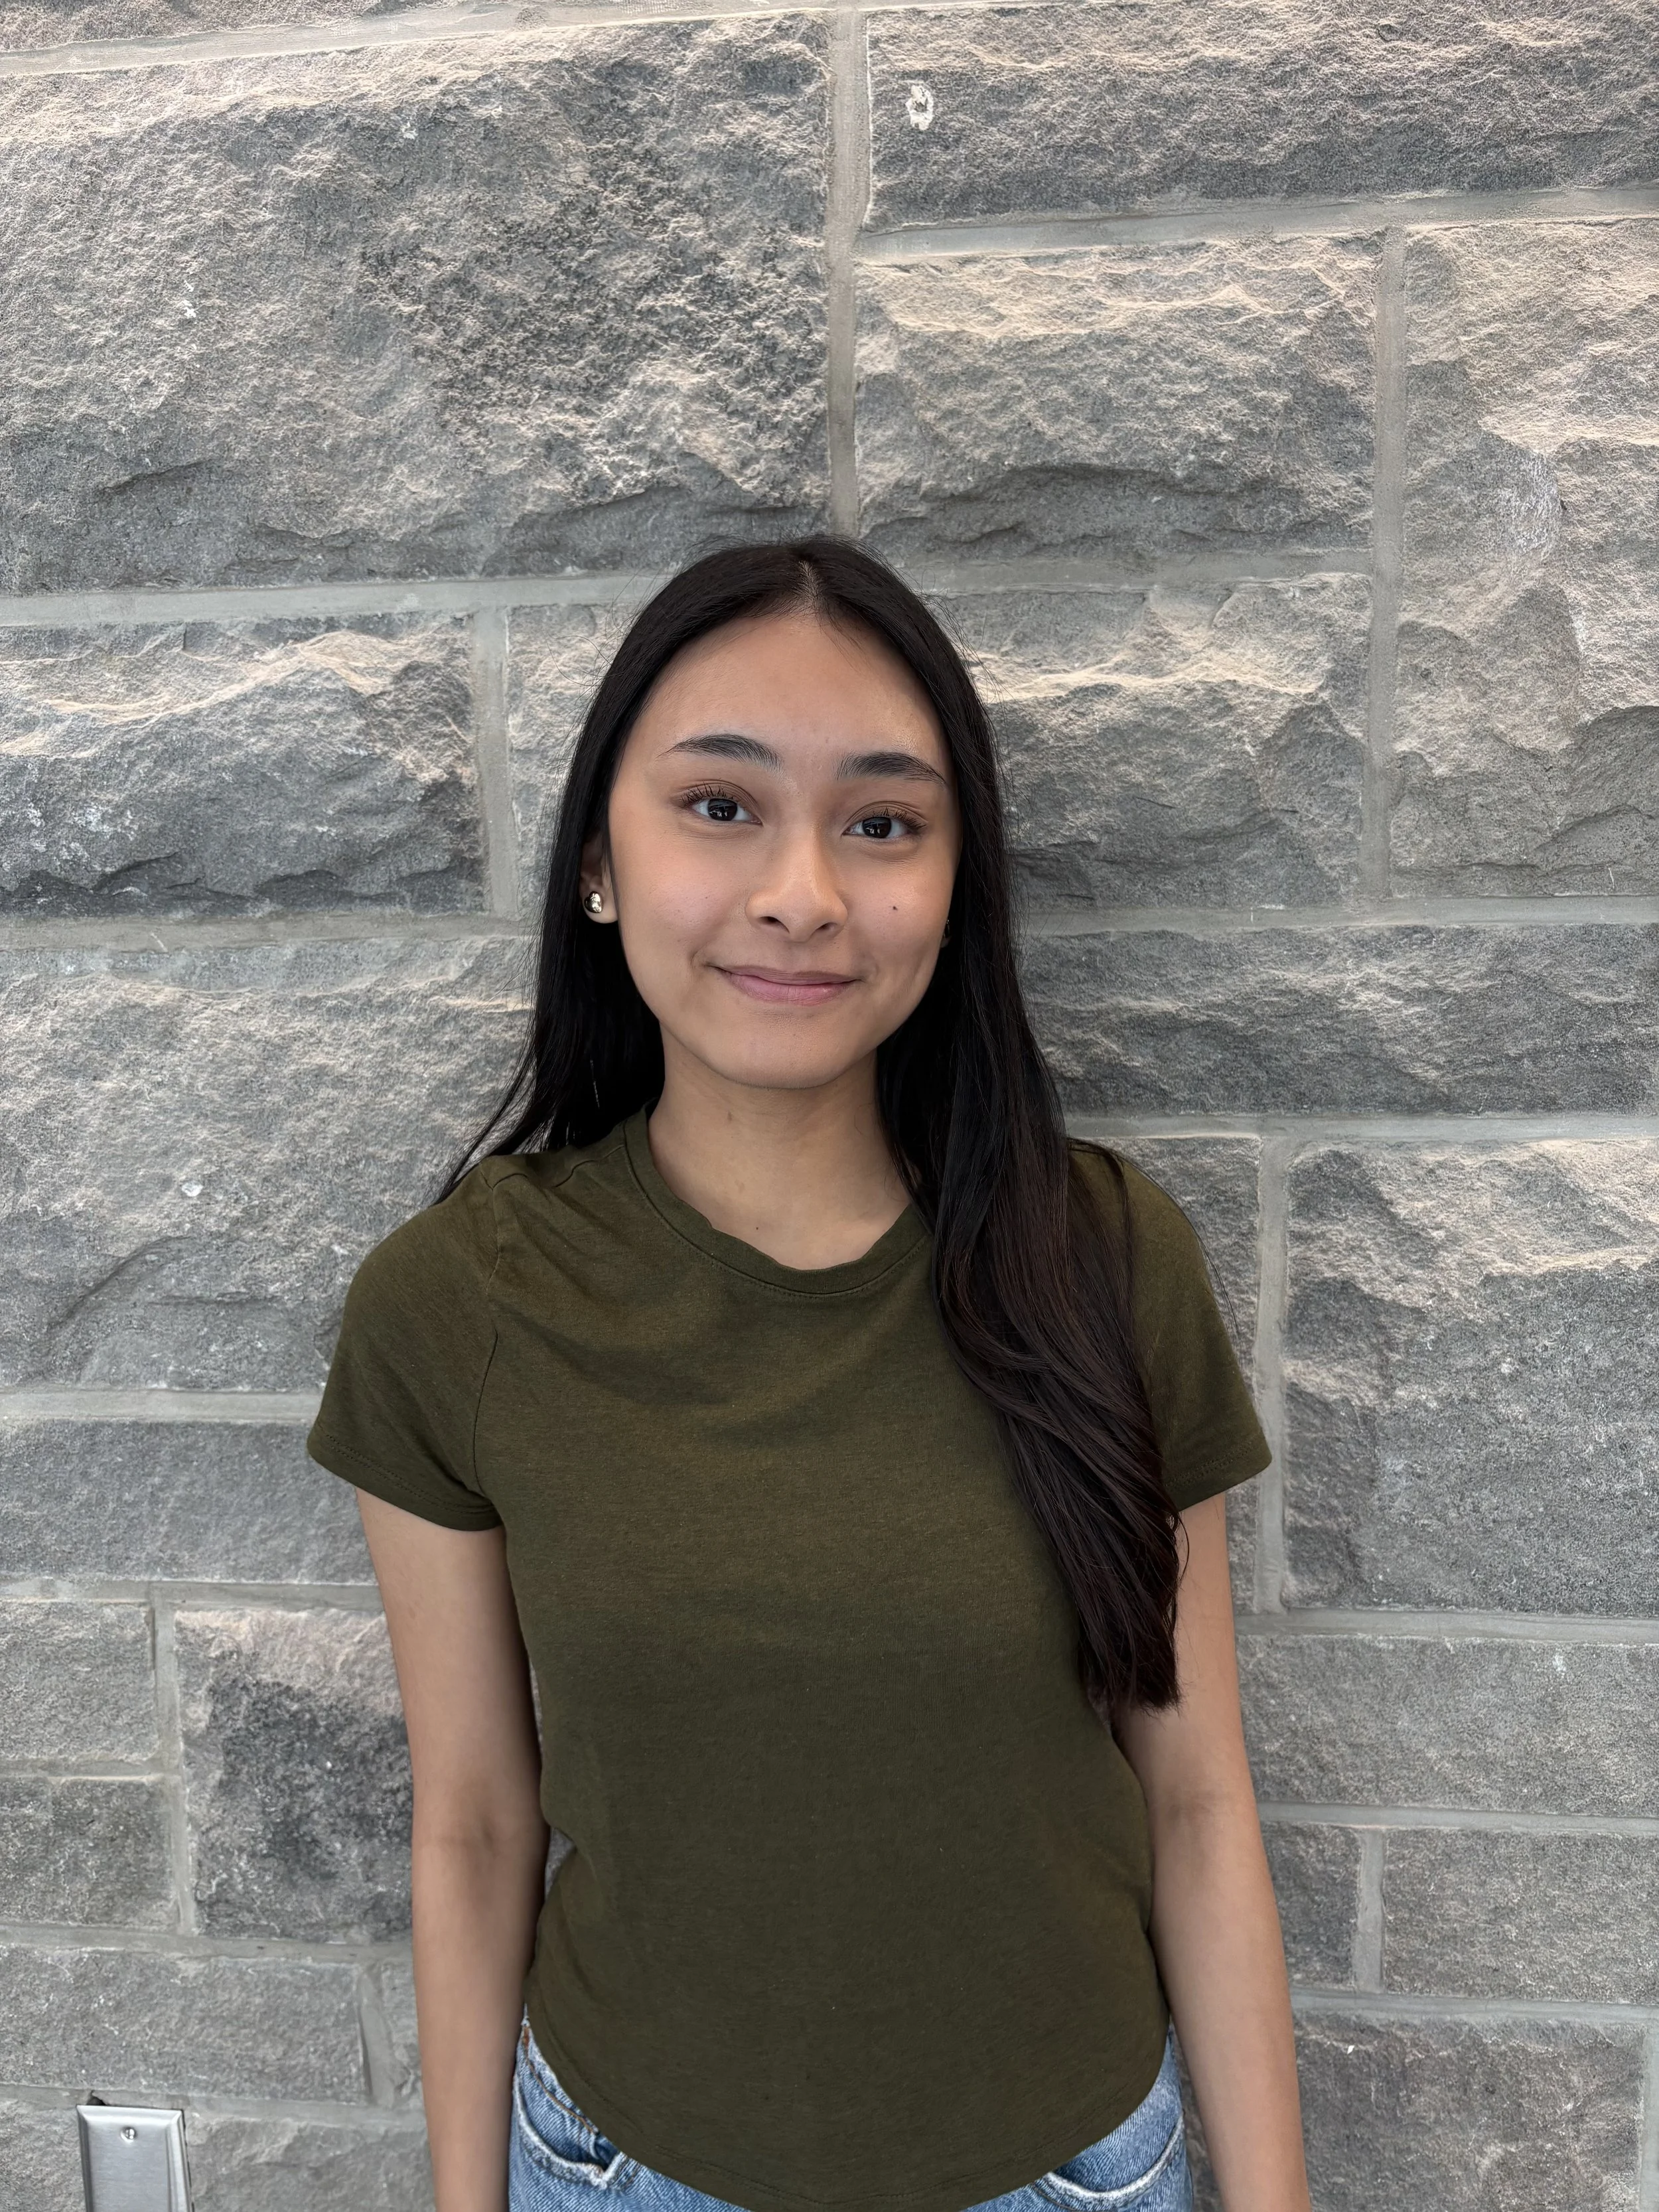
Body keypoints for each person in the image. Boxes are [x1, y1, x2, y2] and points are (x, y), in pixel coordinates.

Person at [306, 538, 1313, 2212]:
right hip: (627, 2173)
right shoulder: (458, 1303)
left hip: (1066, 2173)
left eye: (880, 821)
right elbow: (474, 1827)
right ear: (597, 866)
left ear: (950, 878)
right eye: (719, 805)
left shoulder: (1105, 1259)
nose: (801, 892)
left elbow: (1198, 1804)